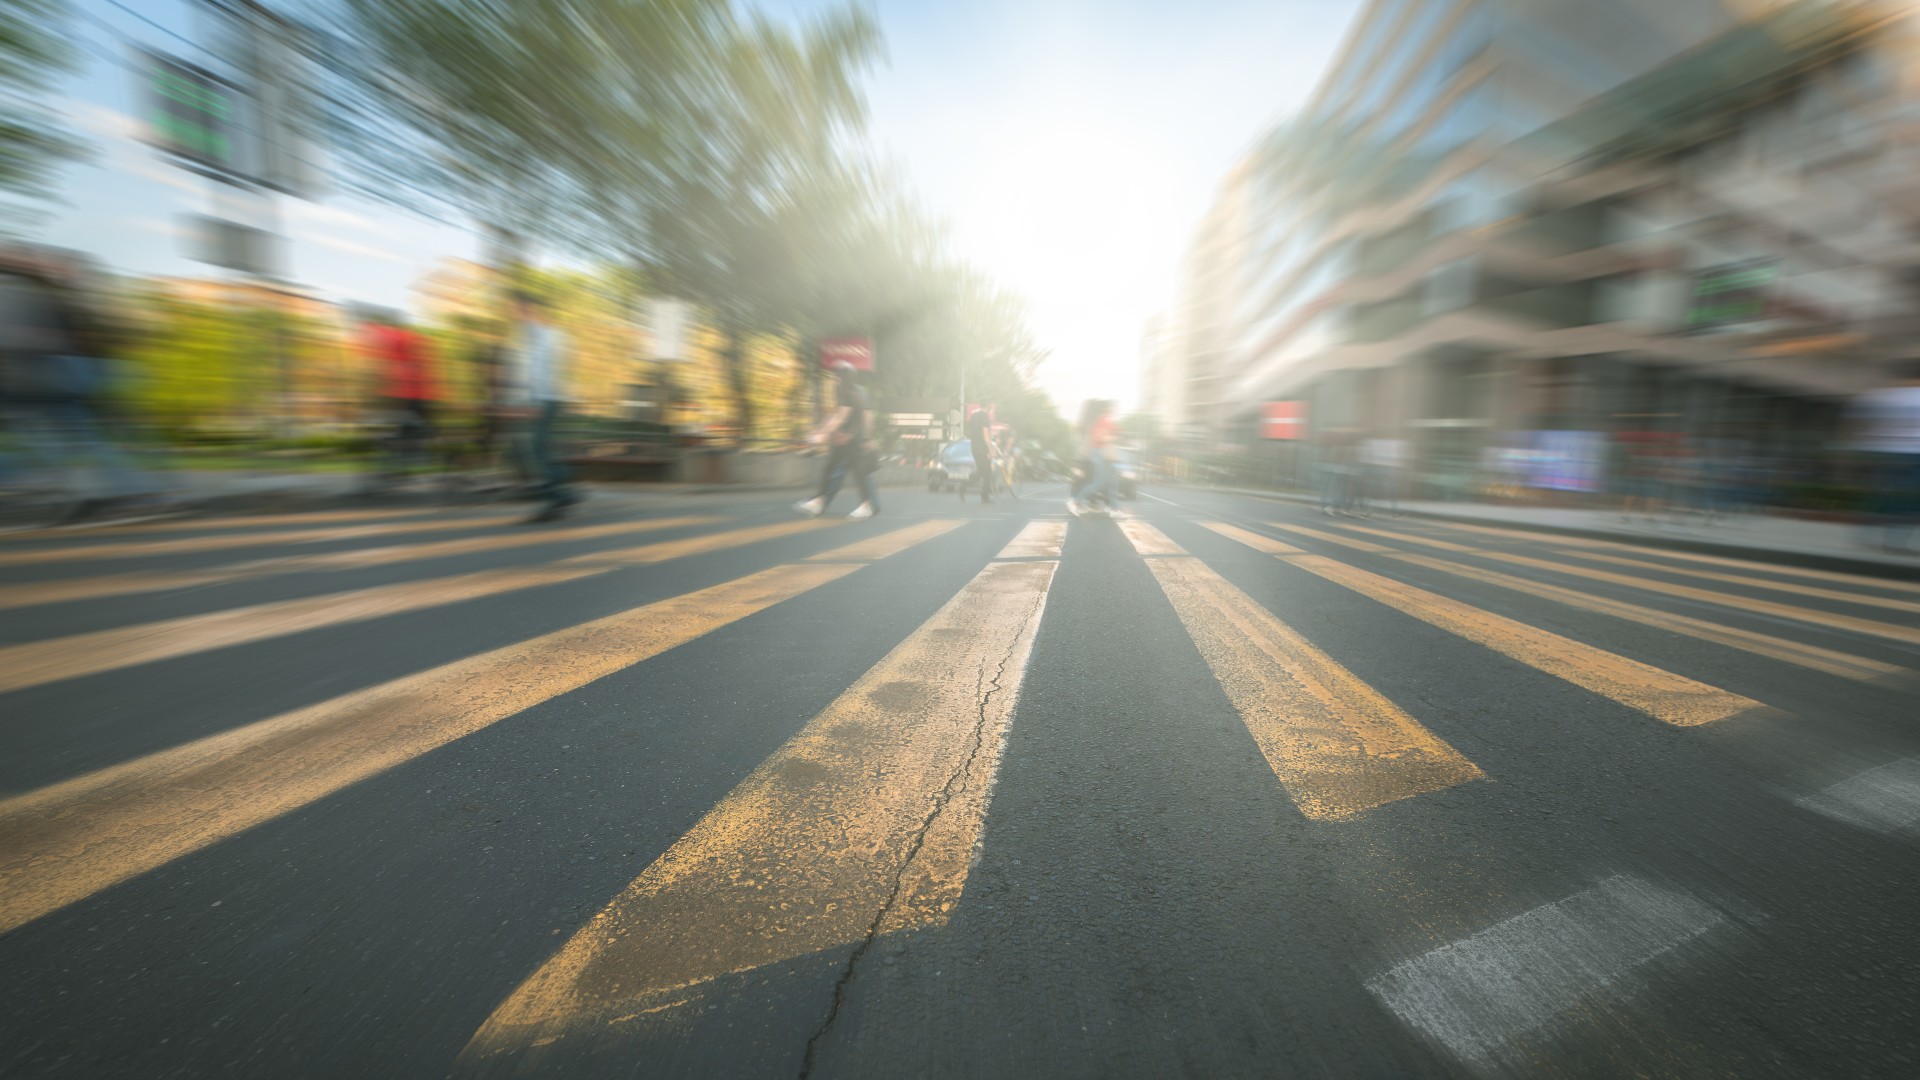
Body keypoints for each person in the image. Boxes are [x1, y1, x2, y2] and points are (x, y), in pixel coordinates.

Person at [504, 290, 579, 523]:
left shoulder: (546, 336)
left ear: (531, 309)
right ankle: (563, 490)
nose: (515, 314)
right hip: (543, 399)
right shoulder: (530, 337)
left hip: (546, 399)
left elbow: (545, 372)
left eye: (518, 309)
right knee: (538, 448)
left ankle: (559, 496)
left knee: (537, 449)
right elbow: (525, 373)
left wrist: (538, 401)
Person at [360, 309, 439, 493]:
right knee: (406, 431)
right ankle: (403, 463)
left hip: (414, 397)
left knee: (408, 431)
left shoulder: (401, 340)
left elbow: (399, 370)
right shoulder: (407, 340)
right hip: (415, 397)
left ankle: (407, 461)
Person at [1849, 365, 1920, 554]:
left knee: (1884, 495)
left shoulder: (1880, 395)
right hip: (1913, 453)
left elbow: (1858, 422)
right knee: (1909, 499)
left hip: (1882, 452)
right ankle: (1895, 539)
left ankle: (1868, 530)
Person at [795, 361, 877, 519]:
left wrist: (821, 435)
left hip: (854, 441)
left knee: (857, 474)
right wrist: (819, 431)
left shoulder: (850, 392)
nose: (835, 379)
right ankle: (820, 502)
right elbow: (836, 415)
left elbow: (841, 417)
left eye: (837, 376)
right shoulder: (854, 391)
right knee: (832, 469)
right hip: (846, 440)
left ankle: (866, 506)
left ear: (842, 377)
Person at [1066, 399, 1120, 517]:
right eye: (1113, 407)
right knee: (1097, 482)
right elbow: (1098, 438)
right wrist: (1113, 438)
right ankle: (1075, 501)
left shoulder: (1091, 421)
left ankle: (1114, 508)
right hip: (1097, 454)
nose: (1115, 409)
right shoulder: (1102, 420)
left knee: (1112, 481)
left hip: (1094, 455)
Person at [966, 401, 996, 503]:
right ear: (988, 405)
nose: (993, 407)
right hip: (982, 448)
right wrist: (991, 450)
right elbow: (986, 436)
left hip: (974, 447)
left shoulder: (973, 416)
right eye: (992, 405)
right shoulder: (984, 417)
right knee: (987, 473)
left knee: (981, 472)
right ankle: (984, 497)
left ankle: (963, 486)